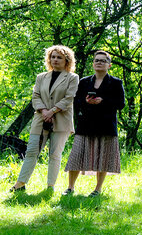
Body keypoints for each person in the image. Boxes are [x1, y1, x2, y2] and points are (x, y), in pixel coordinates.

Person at [11, 45, 79, 194]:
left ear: (66, 60)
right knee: (32, 151)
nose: (55, 60)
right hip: (40, 119)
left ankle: (50, 187)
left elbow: (69, 98)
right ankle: (20, 184)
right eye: (52, 57)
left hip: (61, 120)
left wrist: (52, 111)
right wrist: (44, 112)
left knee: (55, 154)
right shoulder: (41, 77)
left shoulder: (72, 78)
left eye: (59, 57)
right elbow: (35, 96)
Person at [63, 50, 126, 197]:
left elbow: (120, 104)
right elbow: (76, 102)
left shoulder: (116, 83)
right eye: (96, 60)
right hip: (85, 125)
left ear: (109, 65)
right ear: (93, 64)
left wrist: (103, 101)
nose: (99, 62)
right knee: (76, 155)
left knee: (103, 157)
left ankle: (97, 189)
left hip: (106, 125)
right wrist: (86, 102)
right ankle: (70, 188)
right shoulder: (84, 81)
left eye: (103, 61)